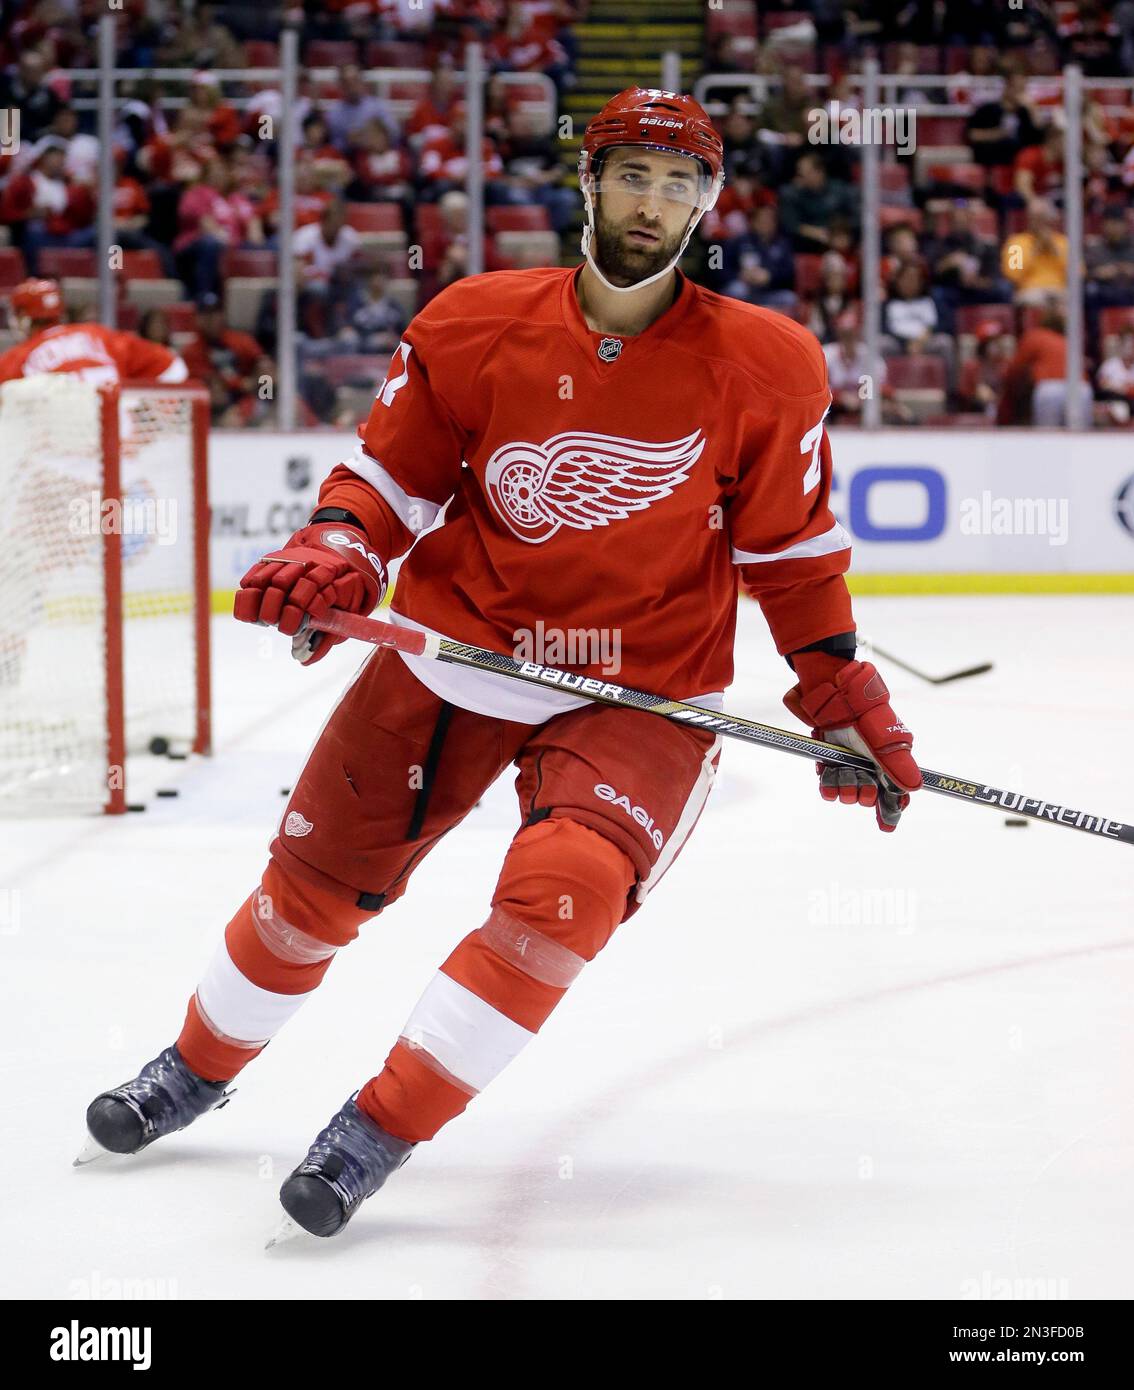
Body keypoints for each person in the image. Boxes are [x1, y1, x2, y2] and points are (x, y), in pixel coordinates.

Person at [79, 88, 922, 1242]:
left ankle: (377, 1128)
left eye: (681, 184)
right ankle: (193, 1065)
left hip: (644, 689)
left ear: (710, 203)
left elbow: (789, 549)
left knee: (557, 898)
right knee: (306, 898)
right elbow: (389, 480)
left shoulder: (768, 365)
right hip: (454, 651)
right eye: (633, 176)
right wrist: (338, 544)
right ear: (589, 184)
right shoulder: (475, 319)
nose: (654, 203)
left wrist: (837, 693)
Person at [0, 278, 188, 385]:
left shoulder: (17, 358)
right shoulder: (100, 336)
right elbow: (174, 369)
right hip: (115, 446)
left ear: (24, 319)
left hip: (53, 450)